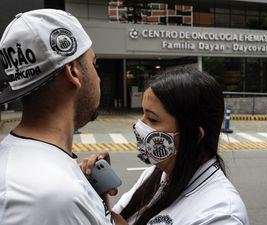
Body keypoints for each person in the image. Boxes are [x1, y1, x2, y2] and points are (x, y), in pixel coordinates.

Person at [0, 9, 127, 225]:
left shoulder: (31, 169)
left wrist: (95, 202)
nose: (98, 77)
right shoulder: (56, 197)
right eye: (94, 64)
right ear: (74, 72)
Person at [111, 67, 250, 225]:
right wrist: (98, 198)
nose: (139, 126)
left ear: (194, 135)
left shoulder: (221, 214)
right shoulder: (154, 175)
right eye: (142, 114)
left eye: (152, 119)